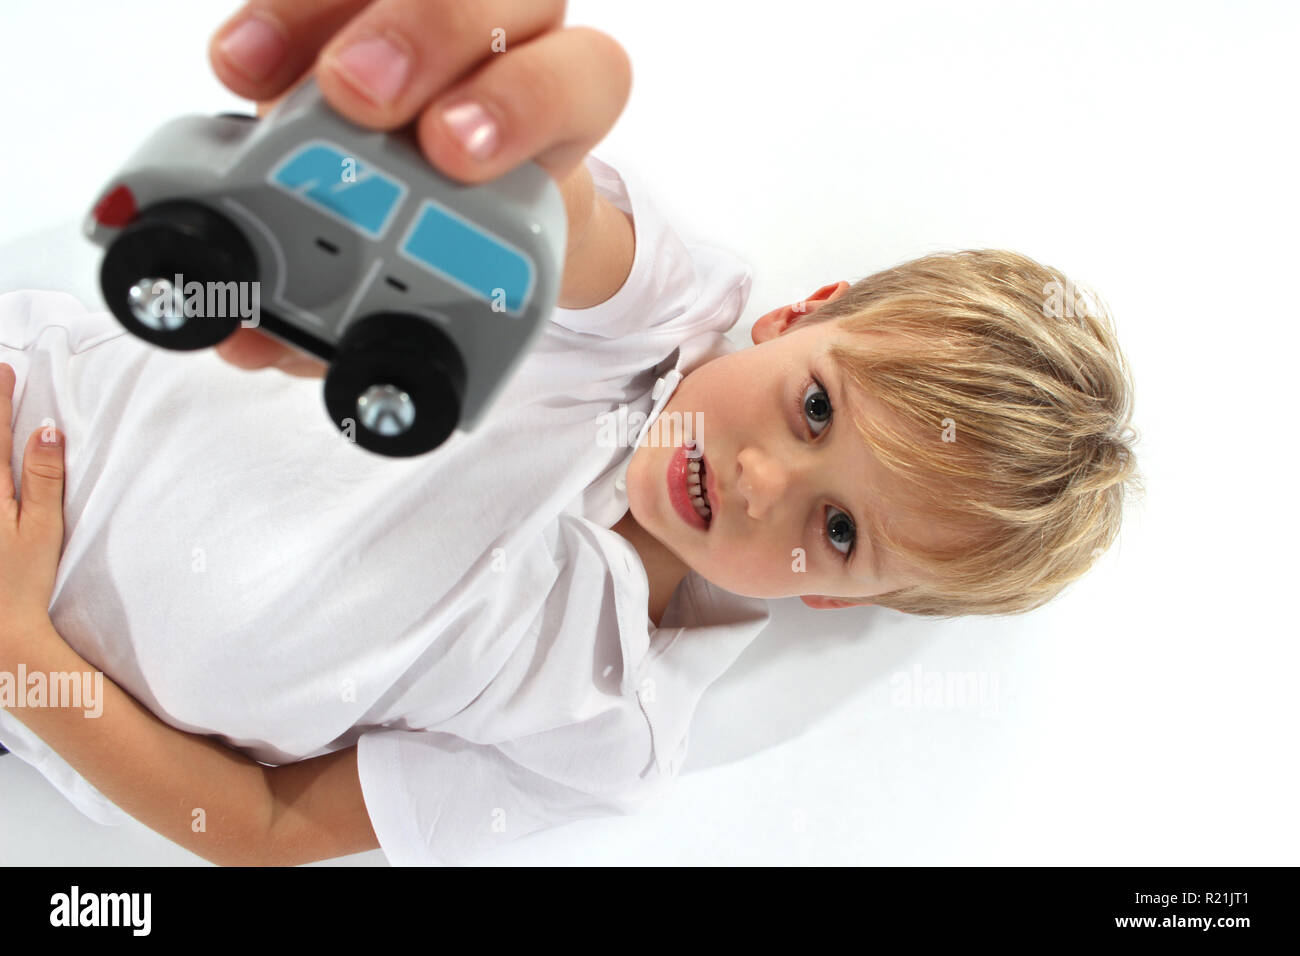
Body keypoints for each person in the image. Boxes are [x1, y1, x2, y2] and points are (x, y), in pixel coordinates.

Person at [0, 0, 1140, 866]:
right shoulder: (650, 321)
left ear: (836, 597)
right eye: (815, 406)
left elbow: (256, 824)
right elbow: (556, 220)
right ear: (797, 314)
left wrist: (23, 655)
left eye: (837, 527)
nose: (757, 478)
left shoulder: (603, 727)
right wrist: (485, 131)